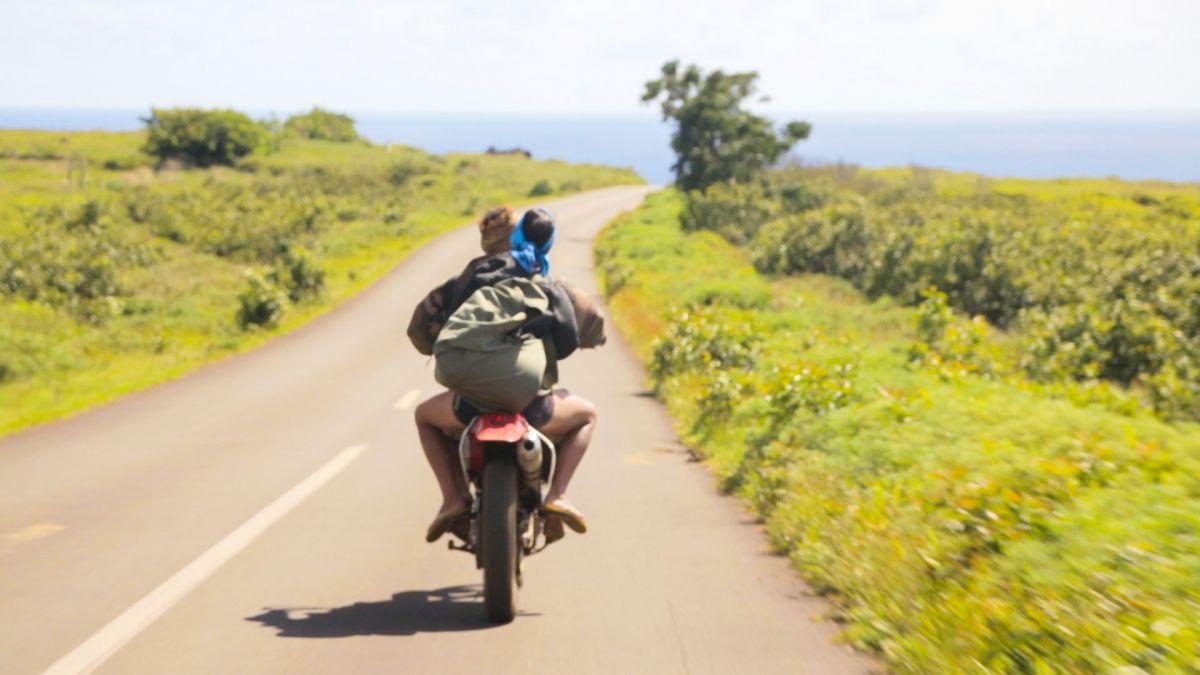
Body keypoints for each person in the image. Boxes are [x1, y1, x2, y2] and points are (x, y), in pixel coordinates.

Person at [408, 207, 605, 543]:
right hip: (534, 406)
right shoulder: (551, 283)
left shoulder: (463, 283)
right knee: (586, 414)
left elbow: (420, 332)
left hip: (469, 405)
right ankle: (557, 494)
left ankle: (453, 498)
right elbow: (591, 328)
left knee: (424, 415)